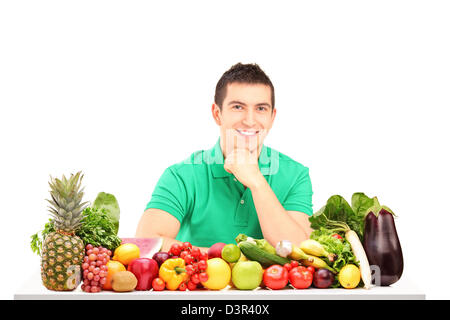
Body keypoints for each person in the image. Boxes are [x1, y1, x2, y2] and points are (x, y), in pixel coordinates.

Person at [136, 63, 313, 252]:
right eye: (238, 107)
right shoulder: (181, 175)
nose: (250, 120)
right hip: (199, 280)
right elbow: (147, 243)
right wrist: (229, 258)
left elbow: (299, 250)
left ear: (272, 117)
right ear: (217, 114)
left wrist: (256, 182)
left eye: (261, 108)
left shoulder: (296, 175)